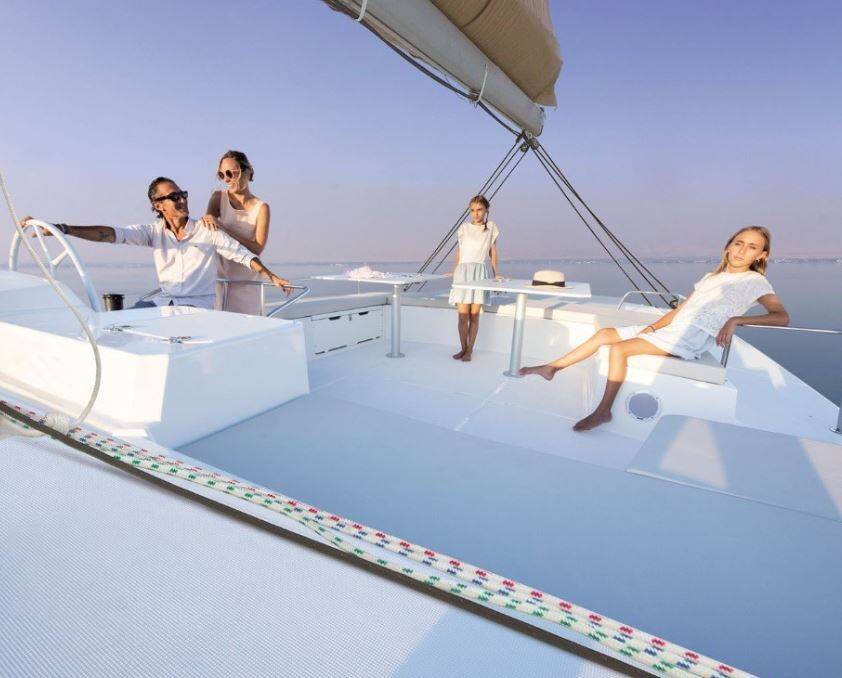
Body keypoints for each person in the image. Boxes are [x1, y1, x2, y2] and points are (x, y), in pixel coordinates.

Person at [520, 226, 789, 431]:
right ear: (728, 246)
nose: (742, 251)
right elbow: (681, 310)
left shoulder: (754, 282)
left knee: (618, 349)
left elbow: (781, 316)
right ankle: (552, 368)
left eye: (752, 247)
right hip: (674, 330)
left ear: (761, 255)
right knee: (605, 333)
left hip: (690, 339)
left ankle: (603, 411)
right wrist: (651, 327)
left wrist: (736, 320)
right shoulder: (712, 277)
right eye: (738, 243)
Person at [21, 177, 290, 309]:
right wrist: (63, 229)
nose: (181, 200)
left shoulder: (206, 230)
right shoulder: (153, 232)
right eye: (173, 197)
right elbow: (111, 234)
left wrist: (272, 276)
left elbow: (242, 254)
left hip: (198, 308)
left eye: (182, 194)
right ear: (158, 205)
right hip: (164, 303)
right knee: (118, 324)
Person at [201, 150, 269, 315]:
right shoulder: (218, 198)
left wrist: (224, 227)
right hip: (221, 281)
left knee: (250, 326)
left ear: (247, 171)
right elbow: (208, 235)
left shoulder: (262, 208)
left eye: (231, 173)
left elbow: (257, 248)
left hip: (249, 283)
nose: (226, 179)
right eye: (221, 175)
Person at [447, 195, 501, 362]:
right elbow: (459, 251)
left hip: (479, 273)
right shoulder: (463, 227)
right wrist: (454, 270)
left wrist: (496, 273)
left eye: (479, 210)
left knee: (474, 315)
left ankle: (470, 350)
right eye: (472, 210)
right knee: (462, 315)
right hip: (462, 273)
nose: (475, 213)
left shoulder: (491, 227)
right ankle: (463, 348)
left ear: (486, 210)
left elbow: (493, 252)